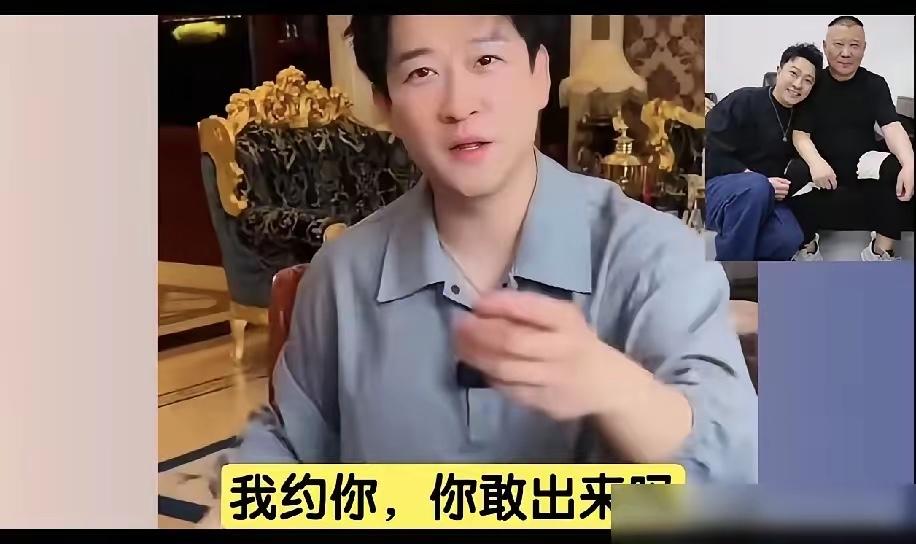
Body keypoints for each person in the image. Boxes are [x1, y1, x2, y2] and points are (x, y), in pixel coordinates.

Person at [224, 15, 757, 485]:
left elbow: (737, 468)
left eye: (485, 59)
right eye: (421, 72)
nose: (460, 105)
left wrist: (609, 383)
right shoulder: (342, 275)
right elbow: (291, 447)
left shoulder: (655, 256)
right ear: (386, 106)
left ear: (540, 76)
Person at [789, 16, 914, 262]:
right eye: (838, 44)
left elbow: (891, 126)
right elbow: (800, 134)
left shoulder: (875, 84)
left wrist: (910, 163)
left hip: (862, 162)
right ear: (825, 47)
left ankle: (880, 252)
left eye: (854, 45)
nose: (846, 53)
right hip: (822, 163)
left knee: (897, 165)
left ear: (864, 49)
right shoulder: (812, 82)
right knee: (796, 170)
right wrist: (816, 163)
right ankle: (807, 248)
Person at [704, 43, 823, 261]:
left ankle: (754, 276)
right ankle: (731, 275)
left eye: (808, 80)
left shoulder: (803, 120)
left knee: (788, 237)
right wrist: (757, 181)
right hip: (720, 190)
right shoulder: (743, 100)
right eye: (794, 73)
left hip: (767, 199)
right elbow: (710, 149)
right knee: (757, 186)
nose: (798, 84)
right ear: (778, 71)